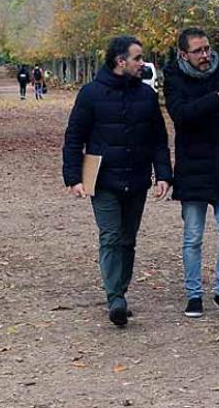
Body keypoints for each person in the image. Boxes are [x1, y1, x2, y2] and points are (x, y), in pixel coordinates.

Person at [62, 35, 172, 327]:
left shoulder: (147, 97)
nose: (142, 63)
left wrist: (163, 174)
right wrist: (73, 177)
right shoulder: (90, 94)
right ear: (120, 61)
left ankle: (119, 292)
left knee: (128, 239)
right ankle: (115, 299)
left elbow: (159, 140)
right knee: (110, 237)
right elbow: (74, 138)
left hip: (137, 178)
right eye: (137, 58)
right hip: (103, 178)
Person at [163, 27, 219, 319]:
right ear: (183, 54)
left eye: (207, 49)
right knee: (193, 236)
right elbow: (181, 115)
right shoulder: (174, 78)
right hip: (192, 168)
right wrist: (215, 99)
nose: (205, 55)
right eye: (198, 50)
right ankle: (194, 294)